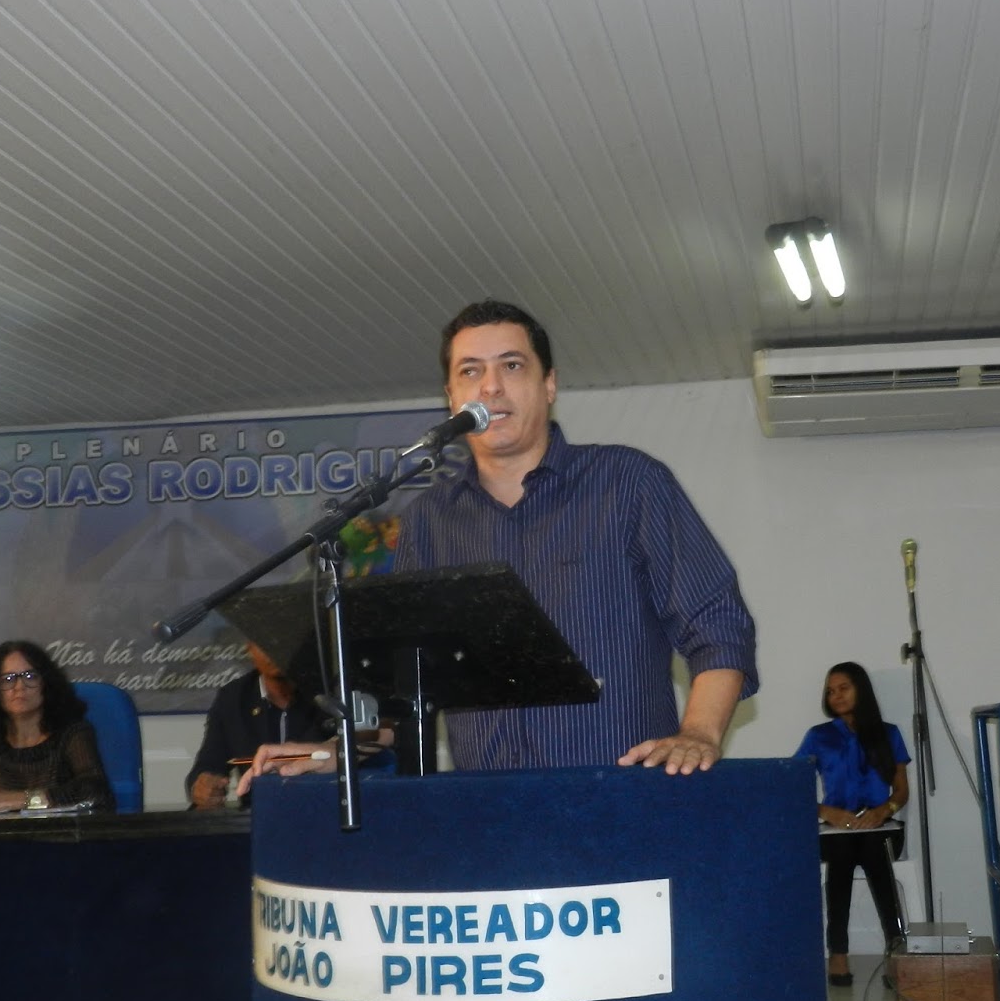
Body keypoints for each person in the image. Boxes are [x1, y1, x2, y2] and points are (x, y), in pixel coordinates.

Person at [247, 298, 757, 785]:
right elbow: (408, 696)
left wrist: (698, 734)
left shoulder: (628, 483)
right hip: (488, 811)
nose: (491, 387)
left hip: (618, 797)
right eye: (471, 371)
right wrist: (331, 755)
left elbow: (717, 625)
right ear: (452, 398)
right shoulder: (428, 522)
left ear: (549, 384)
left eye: (512, 366)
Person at [795, 662, 910, 987]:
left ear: (861, 688)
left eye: (844, 688)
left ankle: (895, 949)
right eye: (831, 691)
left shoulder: (889, 733)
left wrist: (883, 810)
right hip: (836, 831)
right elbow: (793, 786)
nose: (837, 696)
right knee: (843, 854)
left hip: (881, 828)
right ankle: (839, 952)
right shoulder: (819, 736)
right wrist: (827, 812)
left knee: (874, 850)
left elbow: (902, 791)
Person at [0, 640, 112, 814]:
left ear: (46, 684)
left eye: (30, 676)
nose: (19, 687)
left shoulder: (72, 731)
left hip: (60, 834)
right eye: (8, 679)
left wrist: (14, 800)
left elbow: (95, 790)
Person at [185, 643, 338, 809]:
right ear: (250, 648)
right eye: (264, 642)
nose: (273, 650)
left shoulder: (330, 693)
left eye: (279, 640)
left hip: (325, 809)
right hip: (258, 814)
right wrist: (203, 787)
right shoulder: (233, 698)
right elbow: (207, 765)